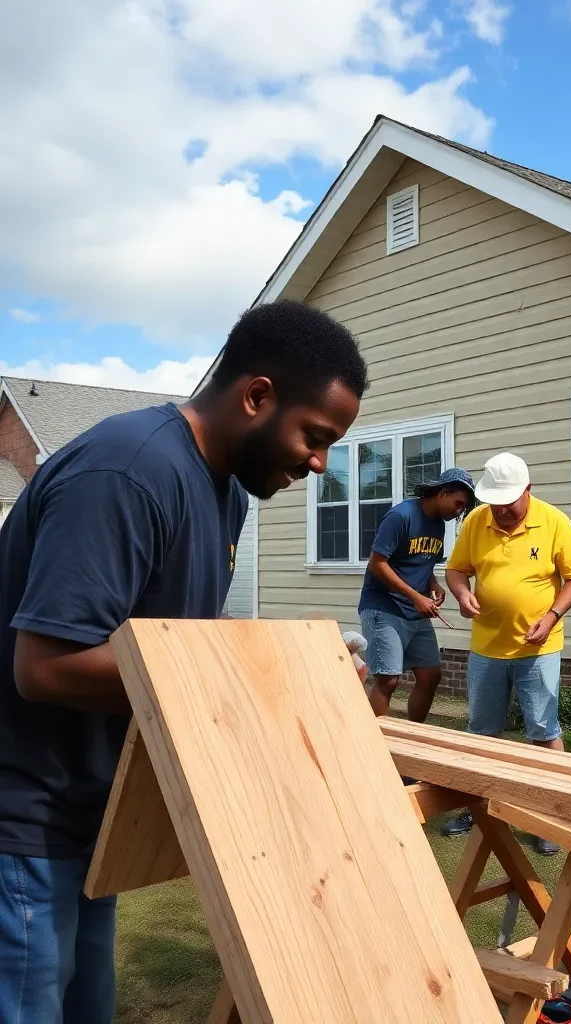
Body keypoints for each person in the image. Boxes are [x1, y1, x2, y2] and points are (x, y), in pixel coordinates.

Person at [0, 299, 367, 1023]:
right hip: (23, 820)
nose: (320, 463)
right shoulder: (127, 472)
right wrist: (260, 686)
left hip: (89, 815)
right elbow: (46, 666)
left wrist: (292, 658)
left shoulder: (225, 490)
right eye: (316, 436)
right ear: (257, 396)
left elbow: (176, 631)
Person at [441, 452, 571, 854]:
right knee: (482, 733)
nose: (502, 511)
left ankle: (550, 814)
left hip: (539, 647)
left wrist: (553, 614)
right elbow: (456, 570)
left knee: (543, 731)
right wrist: (461, 593)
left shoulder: (554, 521)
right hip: (487, 647)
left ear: (528, 490)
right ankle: (478, 807)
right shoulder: (475, 521)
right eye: (495, 503)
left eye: (509, 503)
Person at [358, 467, 476, 720]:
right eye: (457, 504)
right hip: (383, 607)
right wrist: (415, 596)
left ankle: (413, 734)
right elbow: (377, 563)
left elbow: (421, 562)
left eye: (462, 508)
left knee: (430, 675)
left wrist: (433, 585)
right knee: (388, 680)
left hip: (415, 610)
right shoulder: (401, 516)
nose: (458, 512)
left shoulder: (437, 525)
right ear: (443, 492)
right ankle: (380, 743)